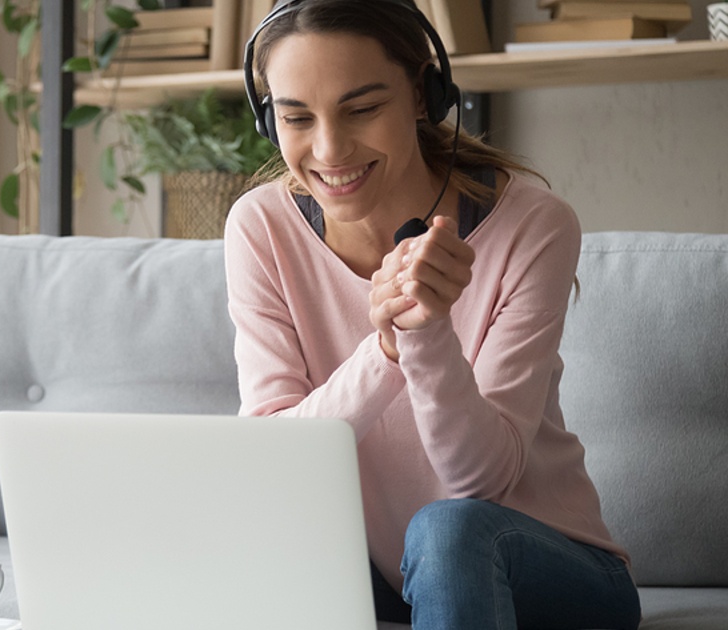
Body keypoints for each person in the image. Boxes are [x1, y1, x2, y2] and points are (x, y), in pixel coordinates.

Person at [222, 1, 642, 628]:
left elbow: (481, 478)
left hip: (547, 564)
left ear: (423, 95)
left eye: (362, 108)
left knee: (448, 532)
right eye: (297, 117)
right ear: (268, 119)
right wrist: (384, 348)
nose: (329, 149)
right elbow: (273, 463)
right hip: (384, 574)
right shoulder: (261, 227)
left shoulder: (533, 225)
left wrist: (425, 334)